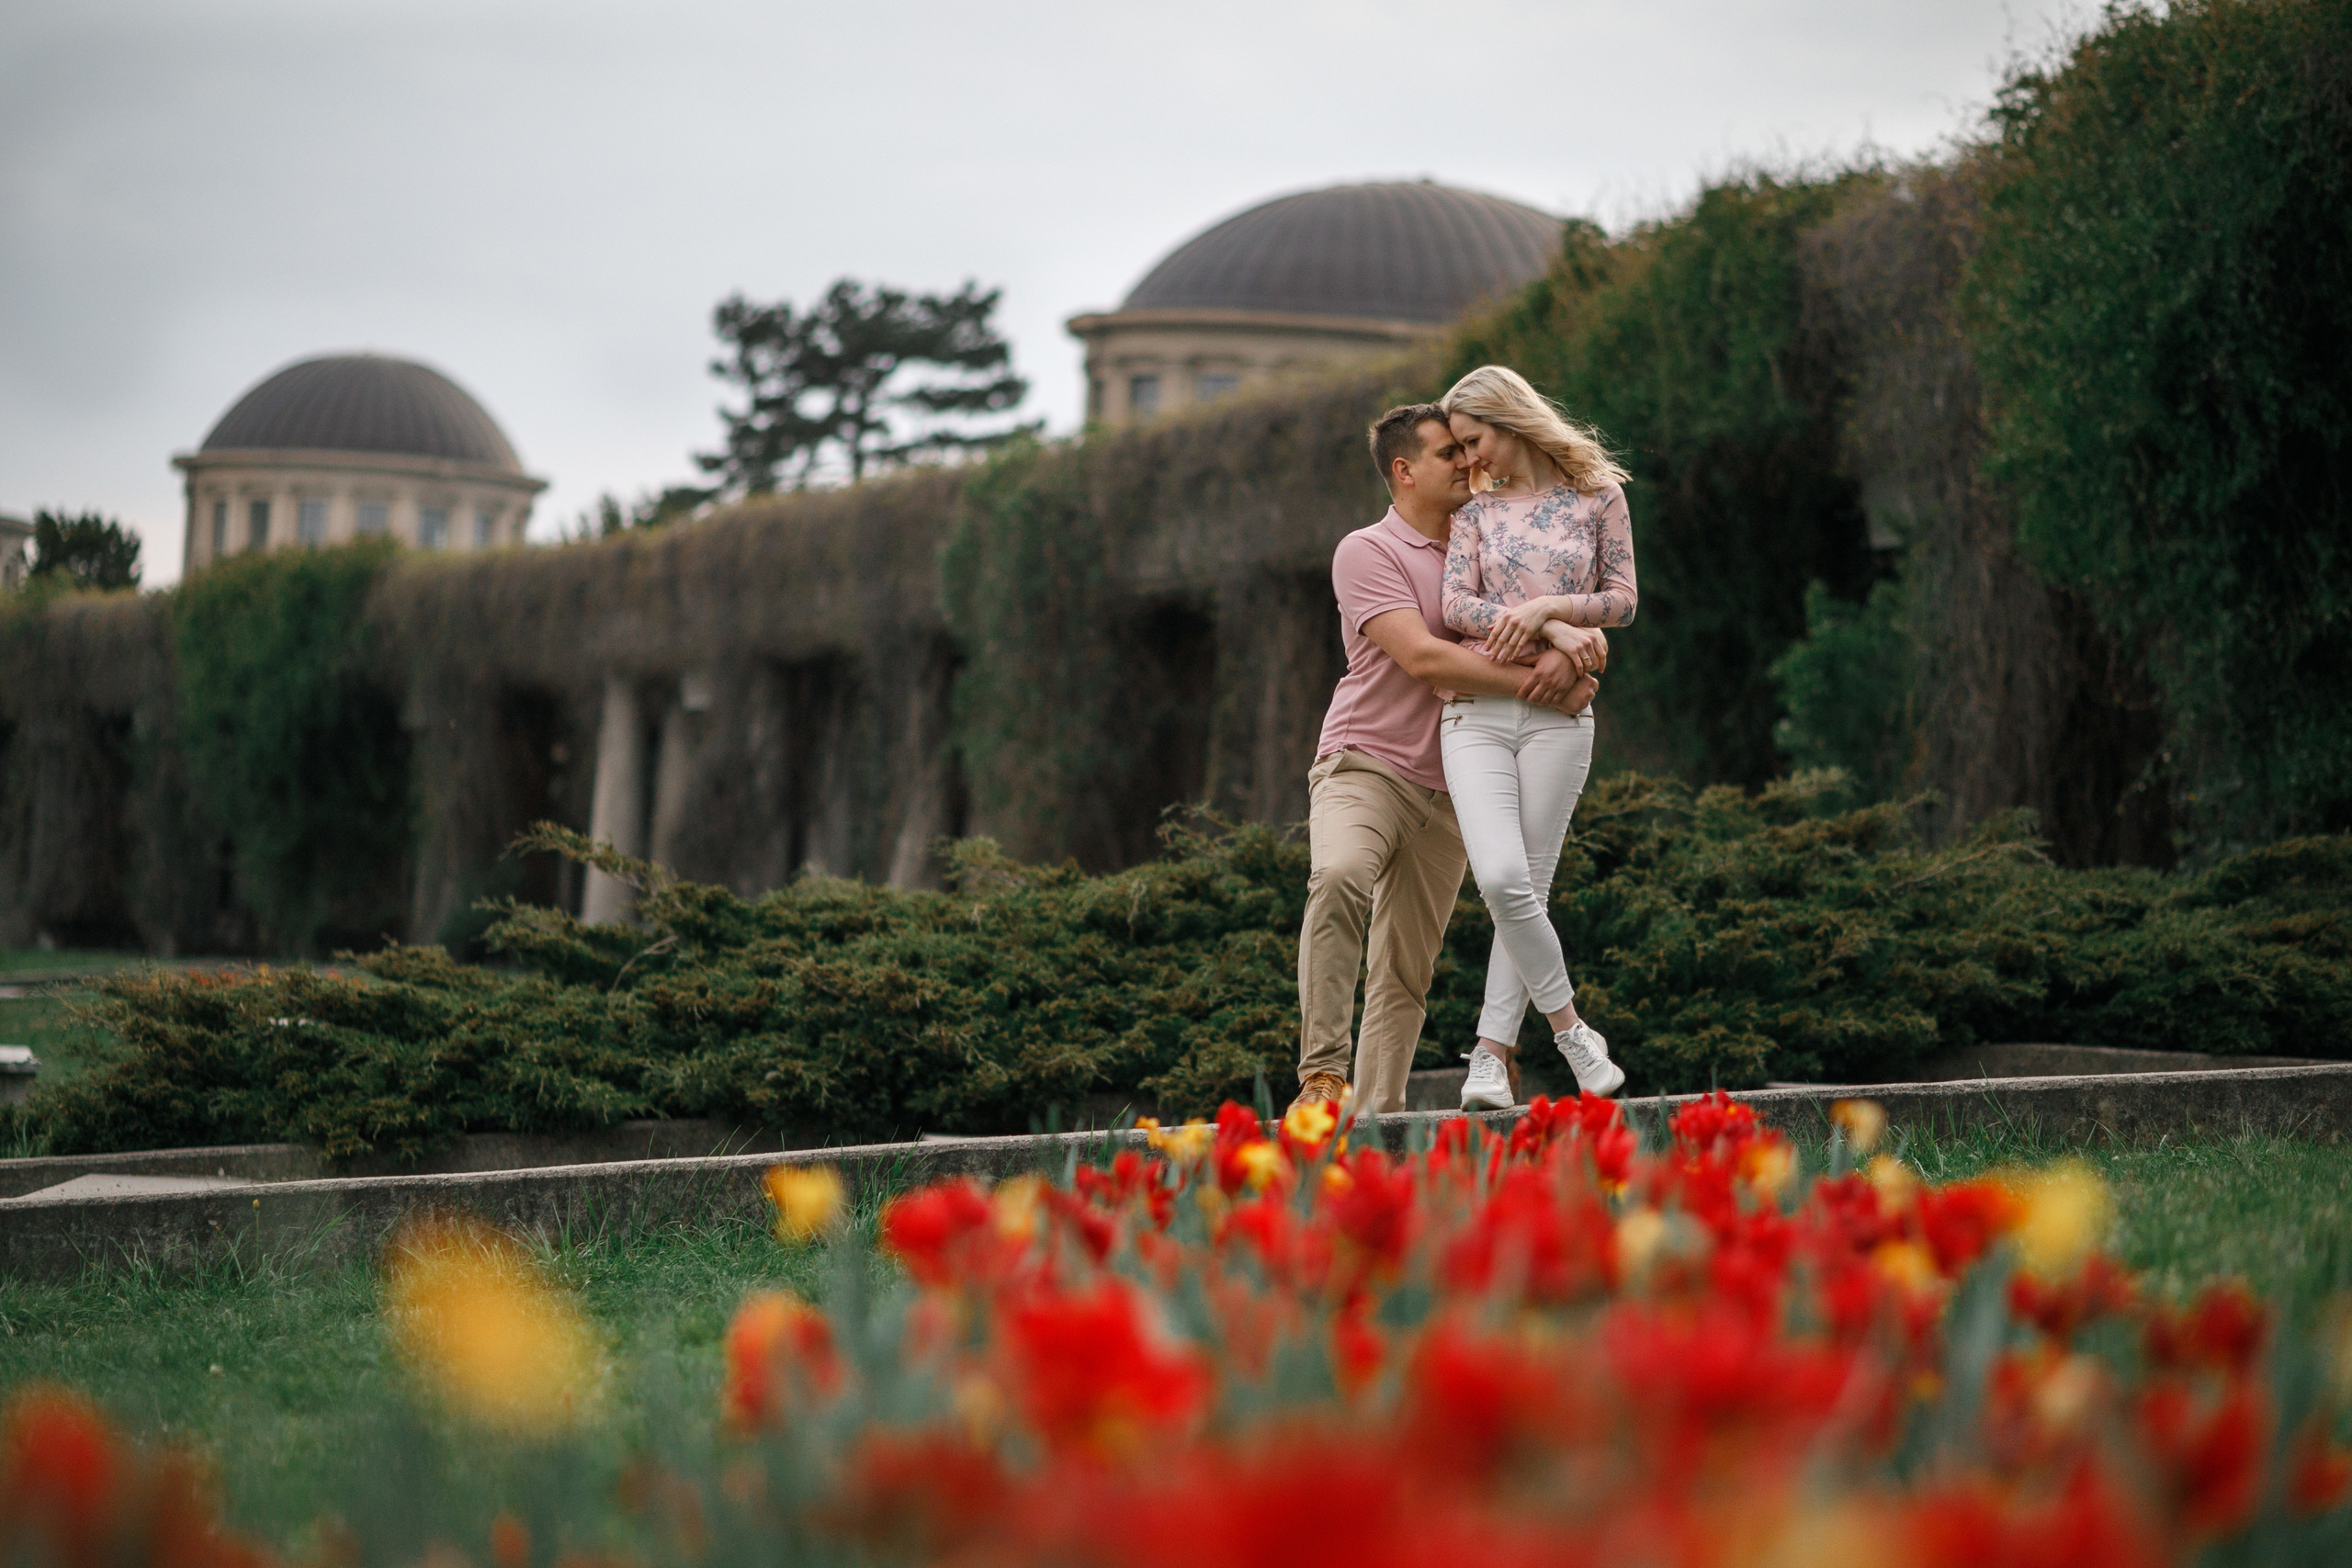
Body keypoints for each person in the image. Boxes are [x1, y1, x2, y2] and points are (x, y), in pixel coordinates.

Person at [1289, 402, 1609, 1118]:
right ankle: (1323, 1076)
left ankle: (1377, 1121)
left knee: (1406, 967)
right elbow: (1427, 658)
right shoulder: (1367, 550)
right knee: (1338, 877)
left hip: (1453, 787)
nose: (1467, 461)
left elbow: (1547, 620)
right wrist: (1545, 684)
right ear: (1404, 471)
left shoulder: (1489, 540)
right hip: (1365, 764)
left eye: (1467, 448)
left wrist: (1568, 651)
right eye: (1447, 453)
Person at [1437, 366, 1638, 1111]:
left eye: (1475, 439)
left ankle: (1490, 1057)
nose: (1470, 458)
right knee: (1499, 878)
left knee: (1527, 889)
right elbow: (1456, 605)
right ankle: (1570, 1029)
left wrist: (1549, 607)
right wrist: (1553, 634)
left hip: (1560, 719)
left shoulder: (1599, 495)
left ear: (1508, 418)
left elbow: (1622, 600)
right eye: (1460, 446)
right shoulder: (1474, 513)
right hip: (1477, 714)